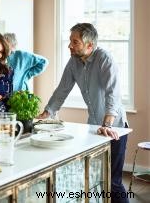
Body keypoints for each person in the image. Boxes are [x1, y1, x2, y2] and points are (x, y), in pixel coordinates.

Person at [38, 23, 129, 203]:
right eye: (70, 41)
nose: (70, 46)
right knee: (95, 179)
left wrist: (107, 125)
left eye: (75, 42)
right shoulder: (73, 62)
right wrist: (47, 112)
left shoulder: (105, 59)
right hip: (94, 127)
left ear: (89, 45)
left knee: (113, 182)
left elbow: (114, 94)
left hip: (115, 127)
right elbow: (62, 89)